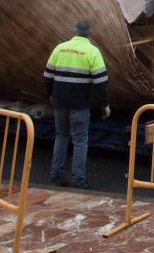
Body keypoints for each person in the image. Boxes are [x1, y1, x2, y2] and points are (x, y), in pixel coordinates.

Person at [44, 20, 109, 189]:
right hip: (79, 104)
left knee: (61, 136)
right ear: (90, 33)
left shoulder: (60, 48)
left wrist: (50, 94)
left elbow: (47, 75)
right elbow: (101, 82)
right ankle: (78, 180)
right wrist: (104, 105)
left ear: (74, 31)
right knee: (80, 140)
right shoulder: (93, 52)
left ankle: (56, 175)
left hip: (60, 102)